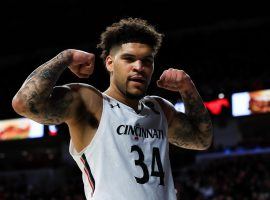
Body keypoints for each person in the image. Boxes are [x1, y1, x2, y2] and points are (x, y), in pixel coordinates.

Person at [12, 18, 213, 200]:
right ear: (109, 62)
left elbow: (202, 140)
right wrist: (65, 58)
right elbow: (25, 104)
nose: (139, 67)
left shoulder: (159, 109)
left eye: (147, 61)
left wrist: (188, 88)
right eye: (129, 59)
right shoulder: (92, 102)